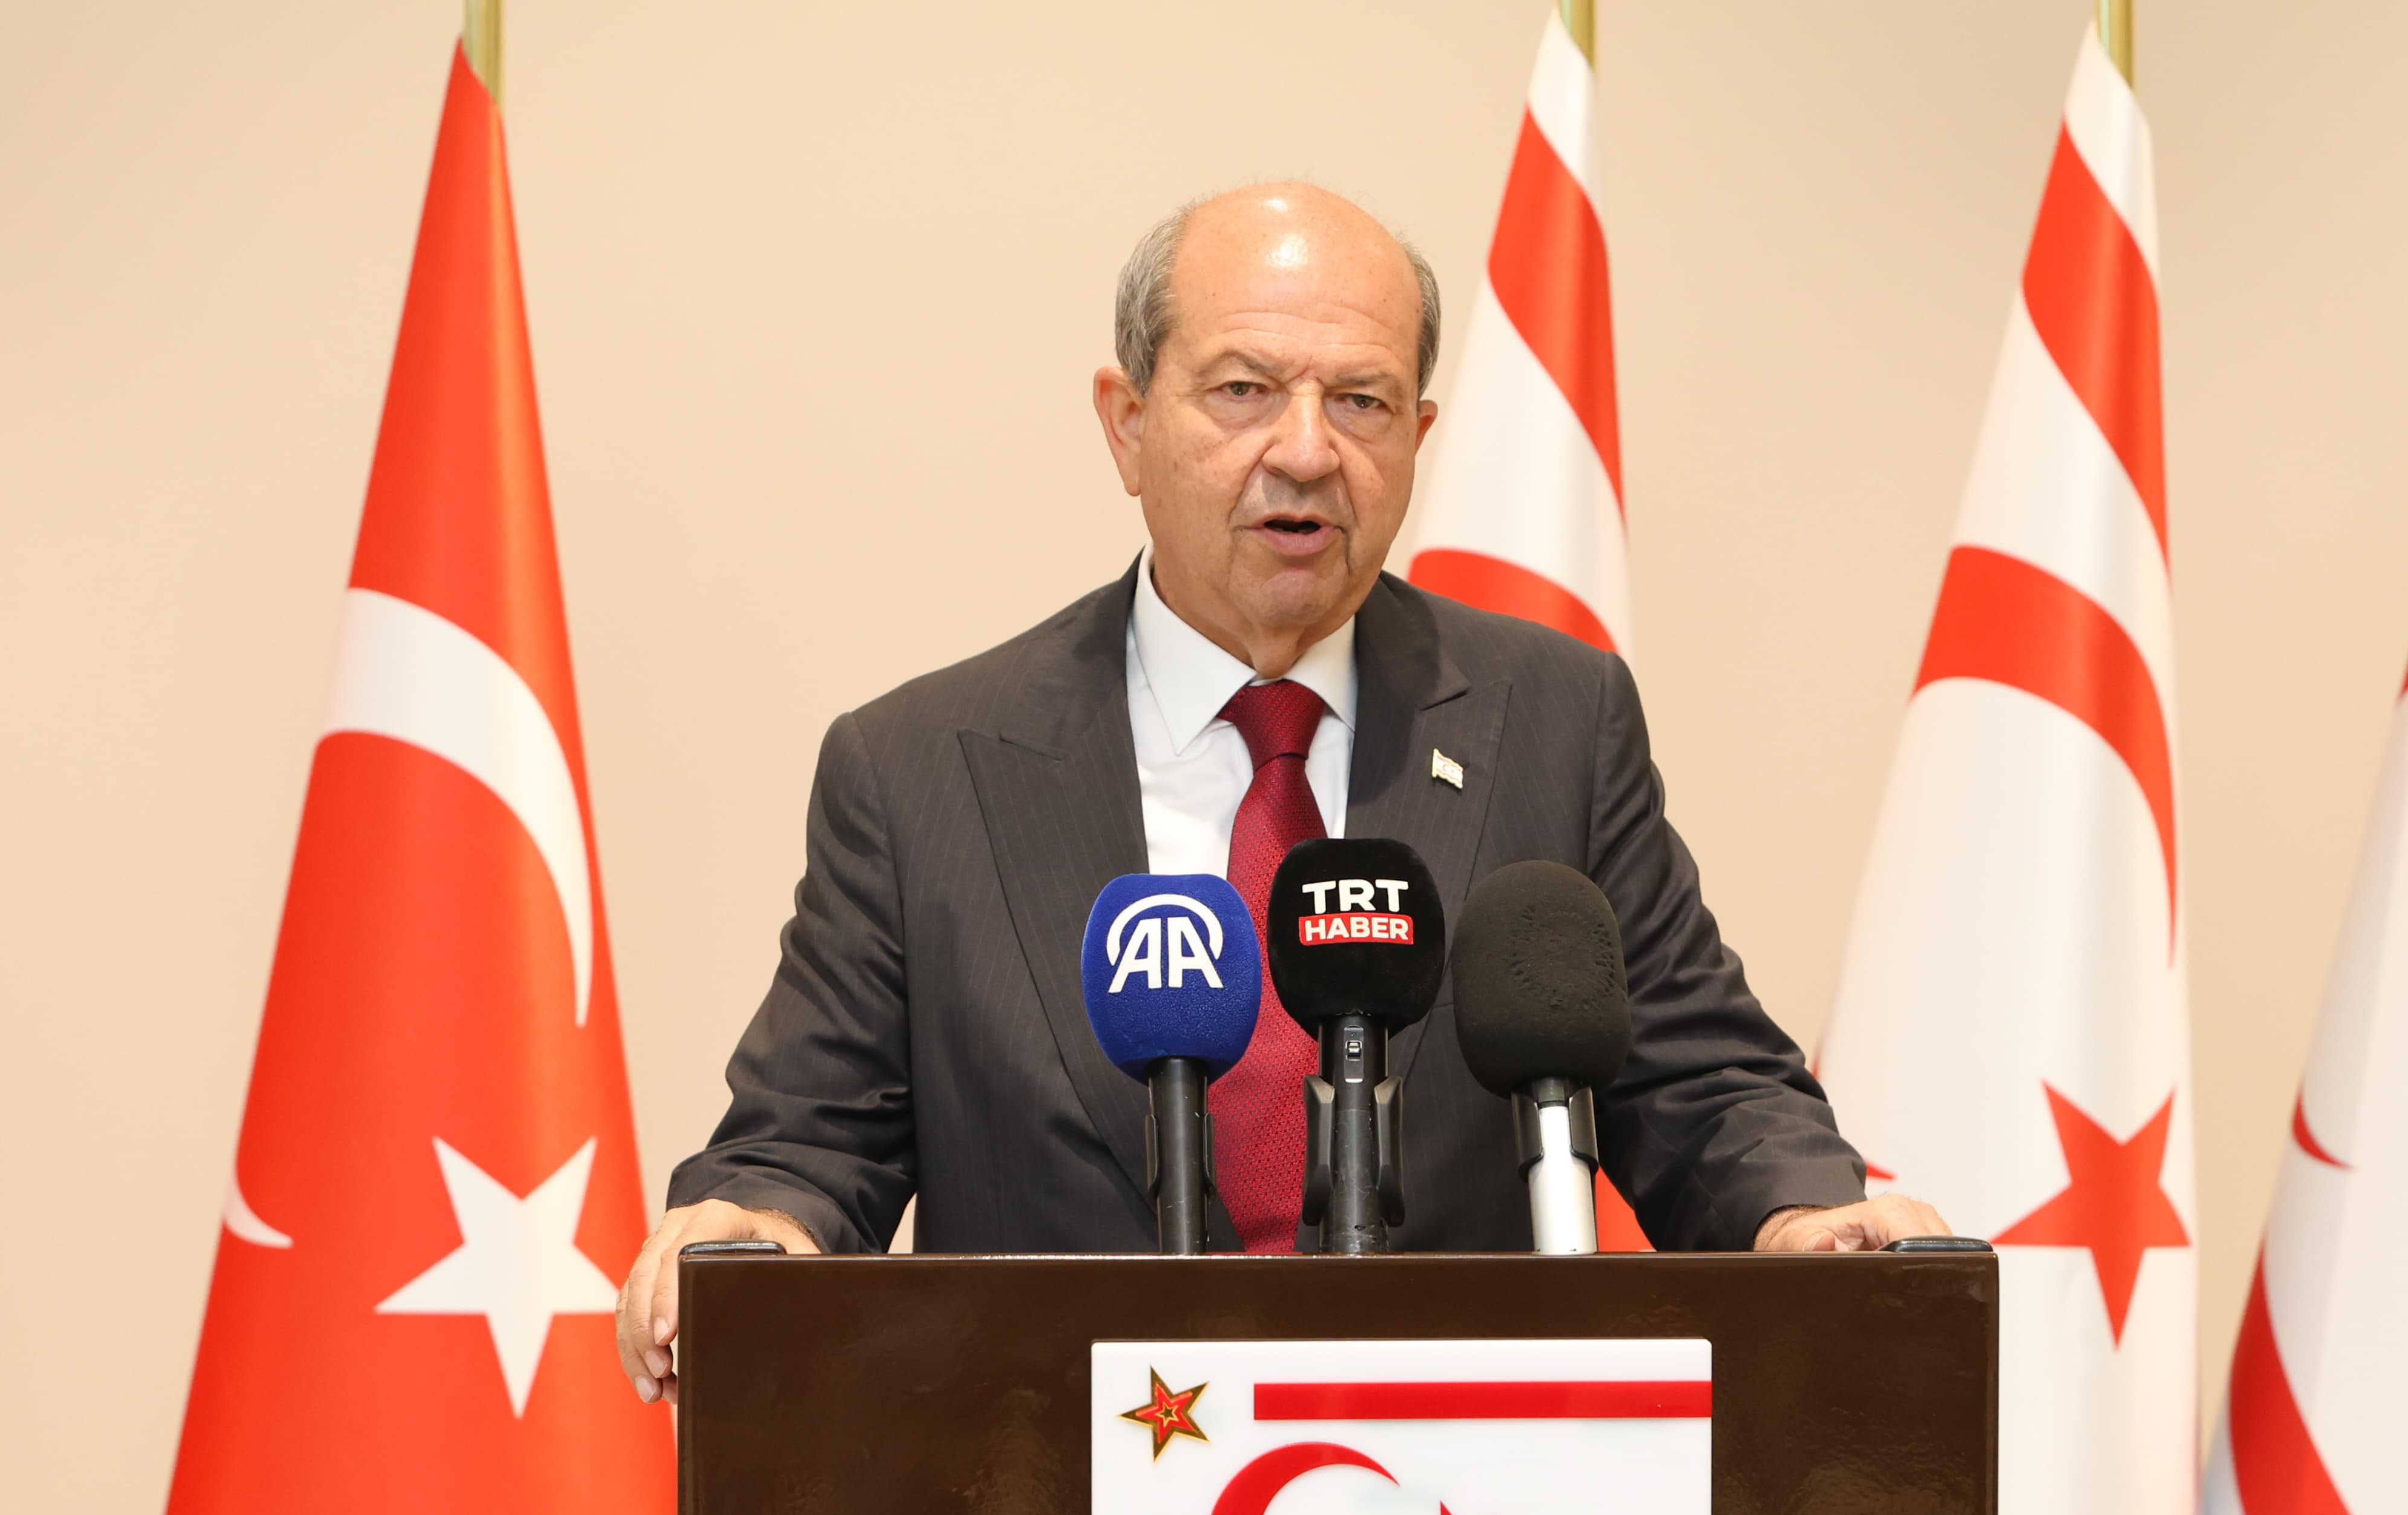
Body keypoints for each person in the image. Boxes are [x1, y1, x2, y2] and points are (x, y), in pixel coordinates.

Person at [618, 183, 1946, 1401]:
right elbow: (811, 1141)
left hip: (1458, 1511)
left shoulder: (1554, 720)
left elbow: (1704, 1081)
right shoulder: (922, 768)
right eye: (1244, 391)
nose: (1306, 452)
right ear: (1127, 423)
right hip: (1052, 1511)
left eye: (1362, 402)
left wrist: (1804, 1214)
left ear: (1419, 438)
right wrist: (752, 1228)